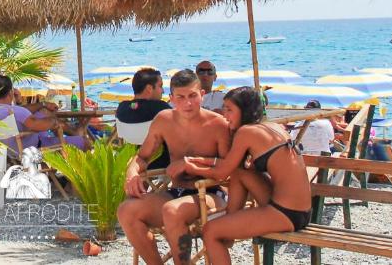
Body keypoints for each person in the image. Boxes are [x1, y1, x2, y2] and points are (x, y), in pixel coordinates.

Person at [185, 86, 313, 265]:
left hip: (286, 213)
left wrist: (190, 167)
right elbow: (233, 167)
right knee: (240, 172)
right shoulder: (272, 126)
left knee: (210, 231)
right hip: (302, 210)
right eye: (224, 108)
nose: (224, 114)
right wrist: (202, 162)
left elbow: (222, 173)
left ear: (244, 111)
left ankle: (223, 232)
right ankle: (229, 226)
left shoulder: (246, 132)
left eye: (230, 109)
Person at [117, 69, 231, 265]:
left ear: (202, 95)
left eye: (193, 96)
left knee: (172, 211)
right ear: (171, 98)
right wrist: (132, 172)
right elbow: (142, 157)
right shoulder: (163, 120)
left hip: (212, 194)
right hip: (176, 192)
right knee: (126, 211)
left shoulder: (218, 124)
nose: (188, 103)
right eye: (181, 97)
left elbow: (229, 168)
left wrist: (192, 165)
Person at [0, 75, 88, 152]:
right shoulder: (16, 111)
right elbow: (37, 126)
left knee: (45, 112)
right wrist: (54, 121)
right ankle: (75, 137)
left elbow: (23, 111)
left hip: (12, 150)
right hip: (34, 148)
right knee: (85, 143)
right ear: (11, 92)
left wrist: (43, 104)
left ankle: (74, 133)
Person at [115, 67, 172, 169]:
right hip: (160, 165)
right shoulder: (161, 108)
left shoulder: (122, 107)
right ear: (149, 88)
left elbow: (135, 106)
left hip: (131, 164)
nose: (162, 91)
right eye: (160, 86)